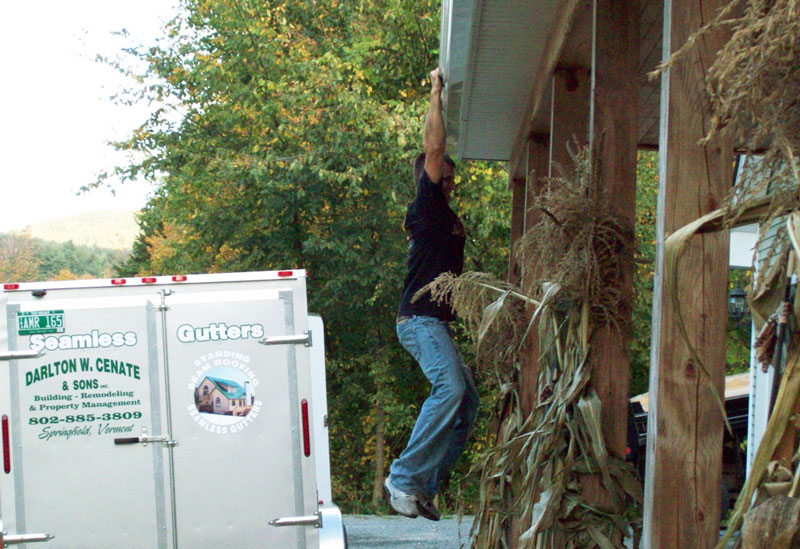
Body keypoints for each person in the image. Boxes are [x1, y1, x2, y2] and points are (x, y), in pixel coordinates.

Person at [383, 67, 480, 521]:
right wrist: (436, 91)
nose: (451, 181)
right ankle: (403, 478)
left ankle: (424, 484)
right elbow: (435, 147)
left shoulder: (440, 214)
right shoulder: (427, 200)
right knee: (451, 387)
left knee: (467, 403)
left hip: (433, 322)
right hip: (418, 320)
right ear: (429, 173)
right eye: (444, 174)